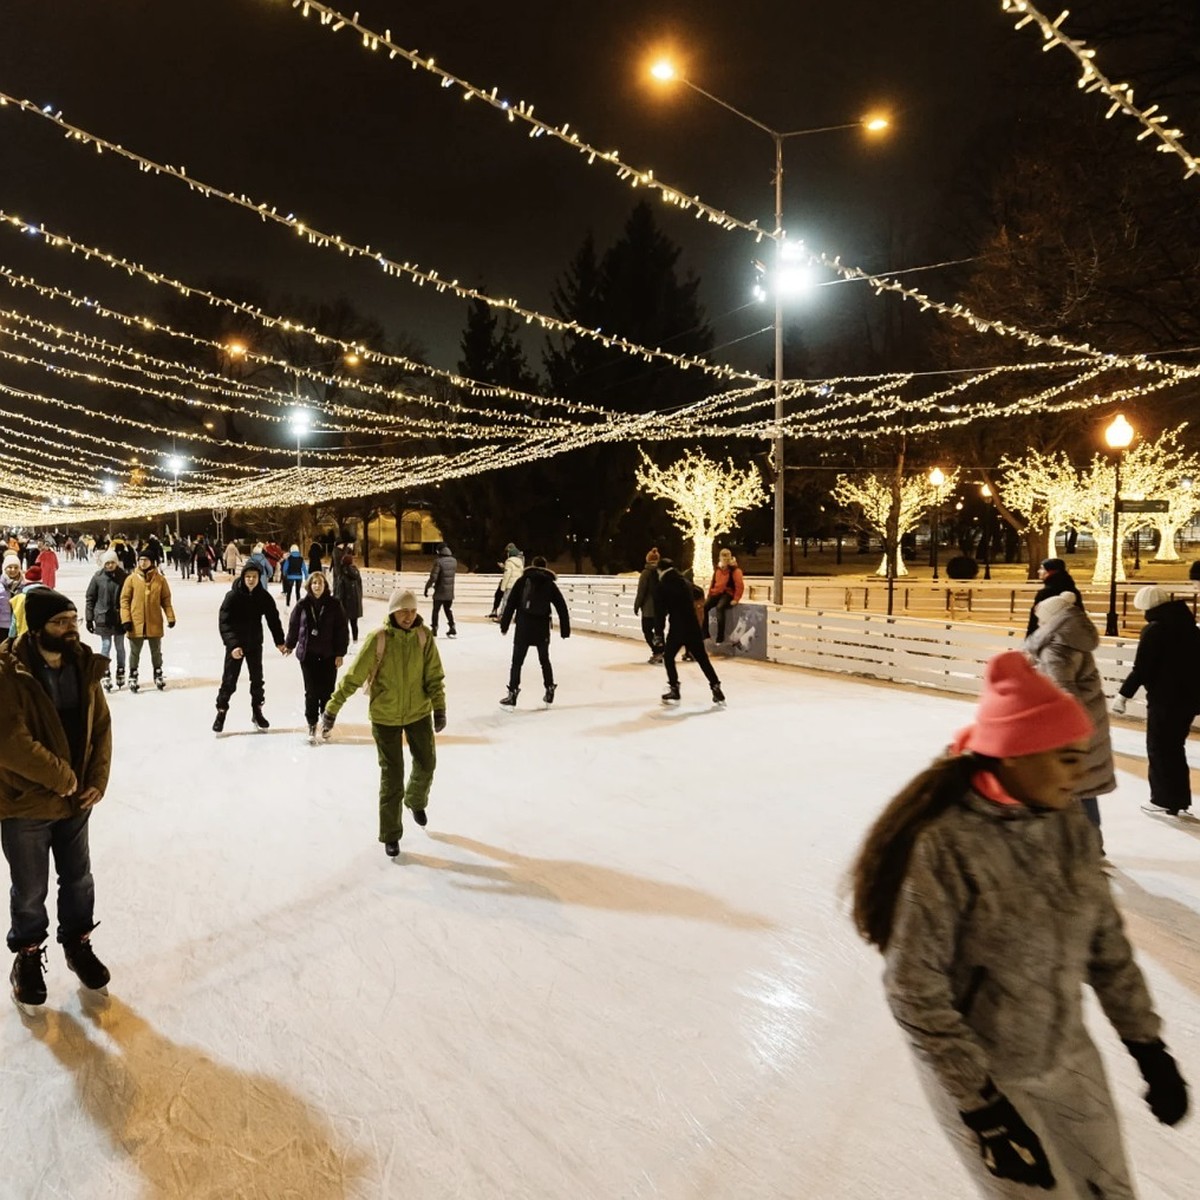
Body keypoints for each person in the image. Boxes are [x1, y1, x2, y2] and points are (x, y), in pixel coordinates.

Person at [850, 650, 1188, 1198]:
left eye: (1081, 758)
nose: (1079, 776)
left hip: (1067, 1055)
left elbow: (1106, 945)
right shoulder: (943, 843)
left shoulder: (1068, 826)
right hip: (986, 1075)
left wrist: (1148, 1046)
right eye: (1065, 759)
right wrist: (984, 1111)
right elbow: (913, 990)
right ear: (1013, 754)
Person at [0, 588, 113, 1013]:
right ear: (37, 626)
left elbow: (100, 724)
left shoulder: (80, 663)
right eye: (60, 623)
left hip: (75, 801)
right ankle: (27, 957)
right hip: (26, 803)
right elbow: (10, 741)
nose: (71, 630)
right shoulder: (8, 672)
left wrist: (96, 780)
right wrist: (63, 777)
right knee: (30, 888)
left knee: (79, 879)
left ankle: (77, 943)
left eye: (73, 621)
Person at [321, 588, 445, 857]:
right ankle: (390, 833)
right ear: (392, 611)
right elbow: (353, 676)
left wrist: (439, 708)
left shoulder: (424, 637)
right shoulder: (379, 639)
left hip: (419, 712)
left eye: (413, 610)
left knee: (427, 762)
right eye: (403, 611)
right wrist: (332, 708)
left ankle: (415, 800)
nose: (409, 616)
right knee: (392, 776)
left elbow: (434, 675)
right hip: (385, 716)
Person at [1023, 592, 1115, 849]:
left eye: (1041, 620)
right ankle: (1093, 844)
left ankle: (1080, 847)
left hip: (1068, 733)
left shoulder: (1055, 649)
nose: (1039, 624)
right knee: (1082, 790)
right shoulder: (1074, 640)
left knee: (1066, 790)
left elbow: (1065, 695)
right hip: (1089, 724)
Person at [1113, 585, 1200, 816]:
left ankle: (1163, 800)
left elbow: (1142, 668)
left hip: (1165, 699)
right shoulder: (1189, 627)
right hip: (1188, 699)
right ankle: (1178, 799)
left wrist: (1123, 695)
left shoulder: (1155, 629)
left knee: (1160, 748)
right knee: (1174, 747)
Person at [213, 561, 288, 733]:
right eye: (248, 577)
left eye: (254, 577)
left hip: (254, 643)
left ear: (259, 578)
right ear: (243, 577)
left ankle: (257, 711)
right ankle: (221, 711)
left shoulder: (263, 596)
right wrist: (232, 645)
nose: (251, 580)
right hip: (236, 645)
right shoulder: (233, 596)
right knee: (229, 681)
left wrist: (280, 641)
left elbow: (273, 619)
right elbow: (224, 622)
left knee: (257, 679)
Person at [286, 571, 349, 742]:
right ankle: (312, 723)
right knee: (312, 691)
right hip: (308, 655)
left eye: (320, 583)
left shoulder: (334, 605)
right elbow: (294, 625)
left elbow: (342, 630)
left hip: (328, 655)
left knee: (327, 692)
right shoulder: (302, 605)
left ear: (325, 586)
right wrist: (290, 645)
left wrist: (340, 653)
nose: (317, 586)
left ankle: (326, 723)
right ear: (309, 585)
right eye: (314, 583)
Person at [499, 556, 570, 707]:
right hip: (542, 628)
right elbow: (561, 606)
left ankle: (512, 693)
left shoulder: (523, 581)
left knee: (517, 662)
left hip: (523, 627)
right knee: (544, 660)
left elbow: (511, 604)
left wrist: (504, 625)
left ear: (531, 565)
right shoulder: (549, 584)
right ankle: (549, 688)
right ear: (546, 567)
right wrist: (565, 630)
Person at [655, 558, 724, 705]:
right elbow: (698, 591)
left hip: (677, 629)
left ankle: (674, 688)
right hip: (692, 626)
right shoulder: (684, 581)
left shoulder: (663, 585)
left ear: (660, 570)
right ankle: (715, 686)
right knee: (702, 659)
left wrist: (658, 634)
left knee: (668, 658)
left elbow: (659, 612)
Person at [119, 550, 176, 694]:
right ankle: (133, 673)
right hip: (135, 622)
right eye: (140, 560)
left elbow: (166, 600)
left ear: (152, 562)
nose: (142, 562)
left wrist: (170, 617)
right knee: (134, 652)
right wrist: (126, 619)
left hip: (154, 621)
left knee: (156, 651)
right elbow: (124, 601)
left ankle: (158, 671)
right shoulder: (131, 579)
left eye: (146, 560)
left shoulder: (160, 580)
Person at [85, 550, 128, 691]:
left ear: (116, 563)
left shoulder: (124, 577)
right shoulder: (97, 577)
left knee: (120, 646)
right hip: (103, 617)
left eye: (112, 563)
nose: (110, 565)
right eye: (107, 563)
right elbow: (90, 598)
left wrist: (129, 617)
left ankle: (121, 670)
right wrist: (89, 618)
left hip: (119, 618)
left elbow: (129, 598)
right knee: (106, 645)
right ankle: (105, 671)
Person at [1025, 557, 1083, 637]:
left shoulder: (1046, 592)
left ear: (1051, 572)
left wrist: (1029, 640)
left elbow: (1035, 619)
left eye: (1042, 568)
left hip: (1047, 638)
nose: (1039, 571)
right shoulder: (1073, 591)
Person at [703, 548, 744, 645]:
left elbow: (739, 585)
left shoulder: (735, 570)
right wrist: (709, 595)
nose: (725, 560)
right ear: (720, 558)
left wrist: (736, 599)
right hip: (716, 593)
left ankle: (720, 637)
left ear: (730, 557)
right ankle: (705, 633)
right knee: (705, 607)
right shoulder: (718, 569)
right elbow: (713, 583)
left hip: (727, 593)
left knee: (720, 608)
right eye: (723, 557)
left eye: (727, 557)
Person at [633, 547, 665, 664]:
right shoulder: (662, 572)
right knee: (658, 631)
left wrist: (637, 606)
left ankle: (657, 652)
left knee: (647, 630)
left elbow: (641, 592)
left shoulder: (646, 573)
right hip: (661, 608)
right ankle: (661, 652)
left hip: (649, 608)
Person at [424, 544, 457, 638]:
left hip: (439, 591)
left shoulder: (438, 562)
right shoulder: (454, 561)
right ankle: (452, 626)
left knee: (435, 610)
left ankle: (434, 628)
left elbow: (433, 577)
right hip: (450, 592)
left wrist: (427, 587)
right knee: (448, 610)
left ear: (439, 551)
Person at [334, 553, 364, 643]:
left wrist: (337, 602)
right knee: (354, 624)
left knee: (344, 625)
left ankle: (345, 641)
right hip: (355, 603)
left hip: (345, 604)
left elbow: (340, 592)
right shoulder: (356, 573)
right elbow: (360, 588)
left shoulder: (342, 575)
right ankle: (355, 640)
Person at [0, 551, 23, 642]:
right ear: (4, 568)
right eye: (10, 567)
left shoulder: (24, 586)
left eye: (16, 567)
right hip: (2, 626)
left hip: (19, 627)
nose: (13, 570)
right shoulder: (0, 585)